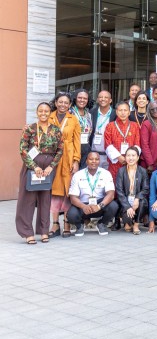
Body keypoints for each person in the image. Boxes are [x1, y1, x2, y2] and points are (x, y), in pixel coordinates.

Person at [16, 102, 63, 244]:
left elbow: (60, 150)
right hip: (32, 167)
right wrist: (34, 167)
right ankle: (27, 232)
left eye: (46, 111)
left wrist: (51, 167)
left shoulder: (56, 130)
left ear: (50, 113)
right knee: (28, 200)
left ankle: (43, 231)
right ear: (37, 112)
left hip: (48, 168)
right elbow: (23, 149)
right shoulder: (30, 129)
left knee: (45, 199)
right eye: (41, 111)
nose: (44, 113)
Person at [49, 92, 82, 239]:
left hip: (68, 158)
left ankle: (67, 222)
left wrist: (76, 161)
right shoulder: (49, 117)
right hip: (52, 158)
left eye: (66, 102)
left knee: (68, 191)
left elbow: (77, 142)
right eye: (60, 102)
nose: (63, 104)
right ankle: (55, 223)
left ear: (69, 105)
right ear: (56, 103)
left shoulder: (73, 119)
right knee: (54, 192)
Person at [67, 151, 119, 237]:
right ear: (86, 161)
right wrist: (83, 206)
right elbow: (73, 198)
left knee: (113, 206)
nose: (94, 161)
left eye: (96, 159)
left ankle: (102, 224)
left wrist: (99, 206)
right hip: (83, 205)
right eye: (91, 159)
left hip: (99, 205)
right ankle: (79, 226)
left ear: (99, 161)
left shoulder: (106, 173)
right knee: (71, 214)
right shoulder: (78, 175)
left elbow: (111, 194)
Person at [104, 102, 141, 184]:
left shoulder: (135, 125)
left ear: (129, 112)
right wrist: (118, 157)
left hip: (131, 161)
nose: (123, 113)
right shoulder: (110, 126)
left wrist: (131, 157)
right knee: (115, 182)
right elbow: (107, 144)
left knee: (130, 183)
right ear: (116, 112)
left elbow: (137, 143)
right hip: (116, 162)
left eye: (125, 110)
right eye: (120, 110)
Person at [115, 147, 149, 235]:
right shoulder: (121, 171)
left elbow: (145, 189)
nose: (131, 158)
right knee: (127, 225)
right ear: (125, 157)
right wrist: (127, 207)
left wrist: (137, 198)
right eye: (128, 155)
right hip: (125, 200)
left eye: (133, 155)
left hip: (136, 201)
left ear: (138, 157)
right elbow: (119, 191)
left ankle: (136, 225)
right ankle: (128, 222)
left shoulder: (143, 171)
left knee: (143, 202)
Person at [89, 90, 116, 170]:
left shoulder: (116, 114)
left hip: (110, 156)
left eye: (106, 97)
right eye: (100, 97)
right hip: (94, 155)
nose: (103, 99)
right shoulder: (91, 113)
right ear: (97, 99)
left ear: (110, 100)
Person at [140, 103, 157, 174]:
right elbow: (144, 145)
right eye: (152, 109)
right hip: (150, 161)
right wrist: (150, 163)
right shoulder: (146, 124)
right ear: (149, 111)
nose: (155, 111)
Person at [71, 89, 92, 168]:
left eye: (85, 98)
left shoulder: (88, 114)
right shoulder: (70, 113)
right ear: (75, 98)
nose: (82, 100)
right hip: (73, 148)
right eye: (80, 98)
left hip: (86, 148)